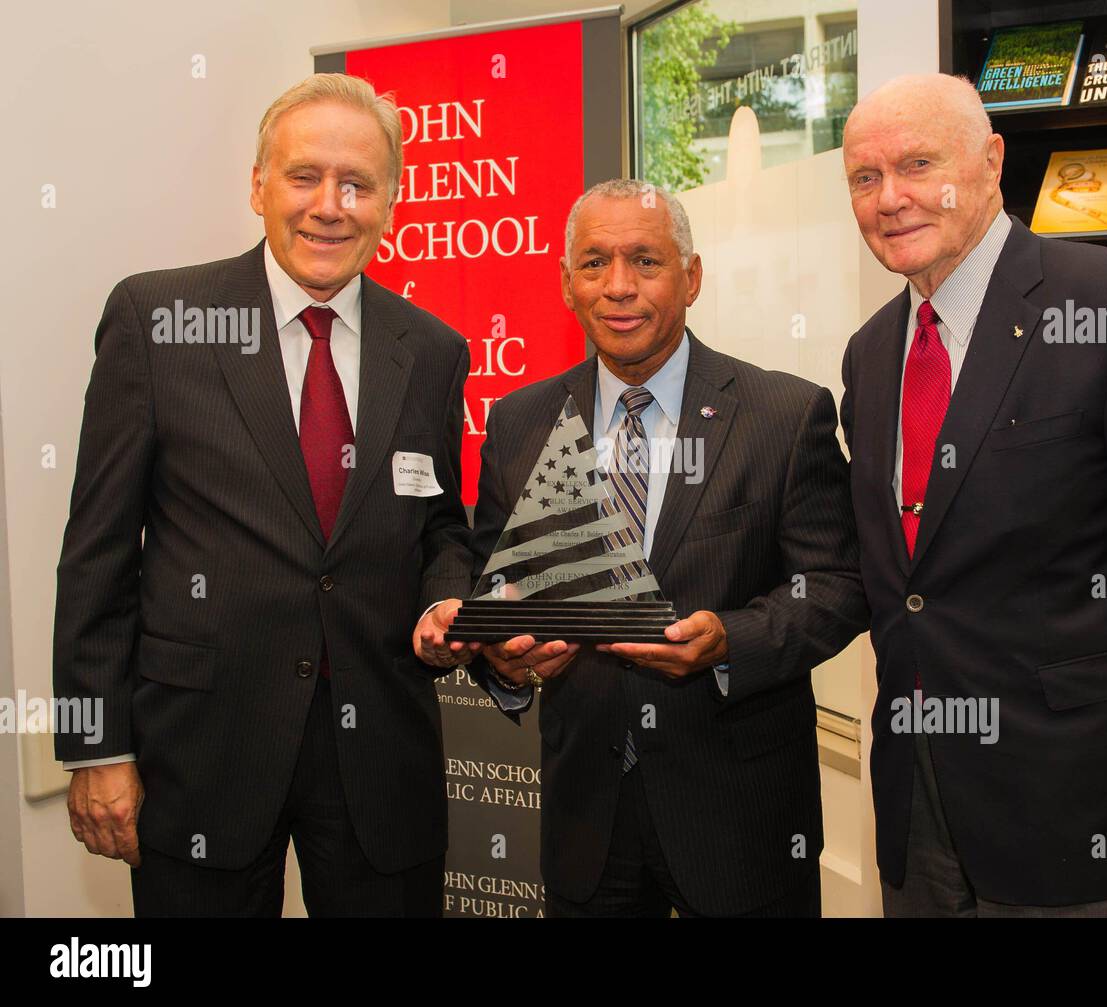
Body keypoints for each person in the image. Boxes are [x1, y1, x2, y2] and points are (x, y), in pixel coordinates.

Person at [53, 73, 475, 916]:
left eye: (357, 183)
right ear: (257, 185)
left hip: (380, 754)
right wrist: (96, 743)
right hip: (200, 751)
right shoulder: (156, 320)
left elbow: (436, 525)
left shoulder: (431, 350)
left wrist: (449, 594)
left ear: (391, 200)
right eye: (303, 176)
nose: (330, 205)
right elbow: (95, 556)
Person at [839, 73, 1107, 916]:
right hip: (918, 809)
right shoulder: (869, 352)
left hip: (1084, 807)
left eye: (918, 164)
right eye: (866, 177)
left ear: (991, 162)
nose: (892, 198)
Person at [447, 179, 867, 917]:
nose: (618, 287)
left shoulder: (782, 414)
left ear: (691, 276)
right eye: (594, 263)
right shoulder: (519, 422)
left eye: (645, 260)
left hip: (740, 819)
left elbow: (837, 585)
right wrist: (503, 657)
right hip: (586, 817)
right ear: (565, 283)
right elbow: (498, 584)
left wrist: (730, 639)